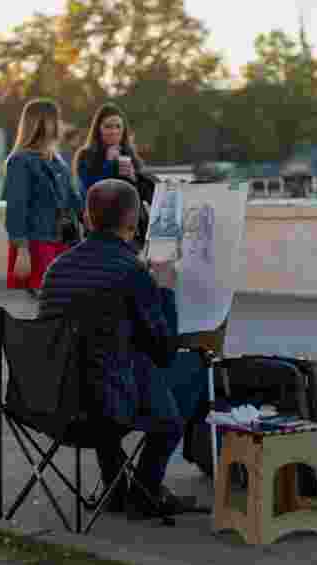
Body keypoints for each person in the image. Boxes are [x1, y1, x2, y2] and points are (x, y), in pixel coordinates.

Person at [38, 178, 189, 520]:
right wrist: (163, 290)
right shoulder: (131, 272)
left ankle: (117, 488)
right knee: (174, 396)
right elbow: (165, 350)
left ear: (87, 220)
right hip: (106, 409)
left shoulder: (55, 270)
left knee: (103, 366)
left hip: (54, 404)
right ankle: (146, 491)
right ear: (136, 223)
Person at [3, 98, 82, 298]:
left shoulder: (56, 159)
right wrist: (22, 251)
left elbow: (72, 198)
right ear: (40, 123)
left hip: (63, 240)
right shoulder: (19, 161)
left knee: (62, 302)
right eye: (55, 119)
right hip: (38, 244)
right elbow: (16, 209)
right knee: (48, 304)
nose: (59, 124)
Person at [74, 103, 153, 249]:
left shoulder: (130, 155)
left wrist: (134, 177)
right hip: (99, 229)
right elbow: (89, 189)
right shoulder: (86, 155)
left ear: (123, 131)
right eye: (108, 126)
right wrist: (108, 163)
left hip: (130, 231)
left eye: (118, 127)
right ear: (98, 129)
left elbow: (146, 195)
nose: (113, 131)